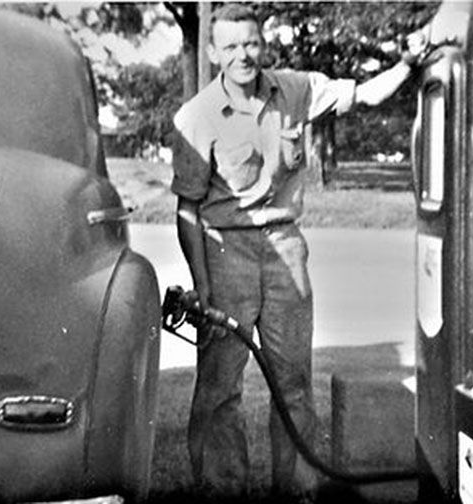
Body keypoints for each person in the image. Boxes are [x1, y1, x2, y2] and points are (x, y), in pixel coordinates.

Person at [171, 4, 427, 502]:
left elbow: (364, 94)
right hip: (226, 252)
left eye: (250, 43)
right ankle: (223, 491)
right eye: (230, 46)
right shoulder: (195, 117)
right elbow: (187, 211)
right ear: (212, 52)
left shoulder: (295, 88)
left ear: (261, 44)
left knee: (293, 379)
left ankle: (298, 490)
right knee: (221, 386)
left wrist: (408, 67)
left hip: (287, 248)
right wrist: (202, 284)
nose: (243, 55)